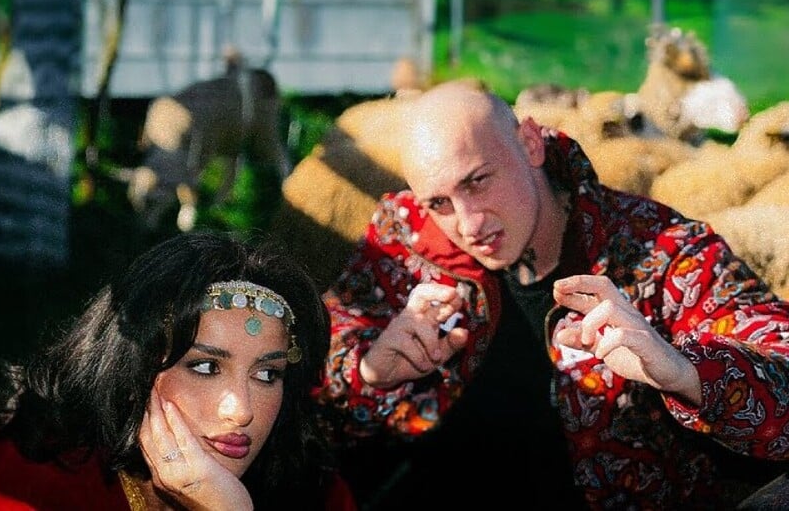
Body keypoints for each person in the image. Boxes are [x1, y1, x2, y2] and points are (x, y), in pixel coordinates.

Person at [312, 82, 789, 509]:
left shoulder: (660, 252)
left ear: (530, 143)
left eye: (478, 181)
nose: (469, 224)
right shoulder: (406, 237)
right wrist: (368, 371)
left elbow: (780, 367)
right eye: (439, 202)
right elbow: (315, 362)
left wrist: (685, 372)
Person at [0, 231, 356, 511]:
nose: (241, 411)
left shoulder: (317, 494)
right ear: (135, 369)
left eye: (267, 375)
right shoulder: (27, 483)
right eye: (206, 367)